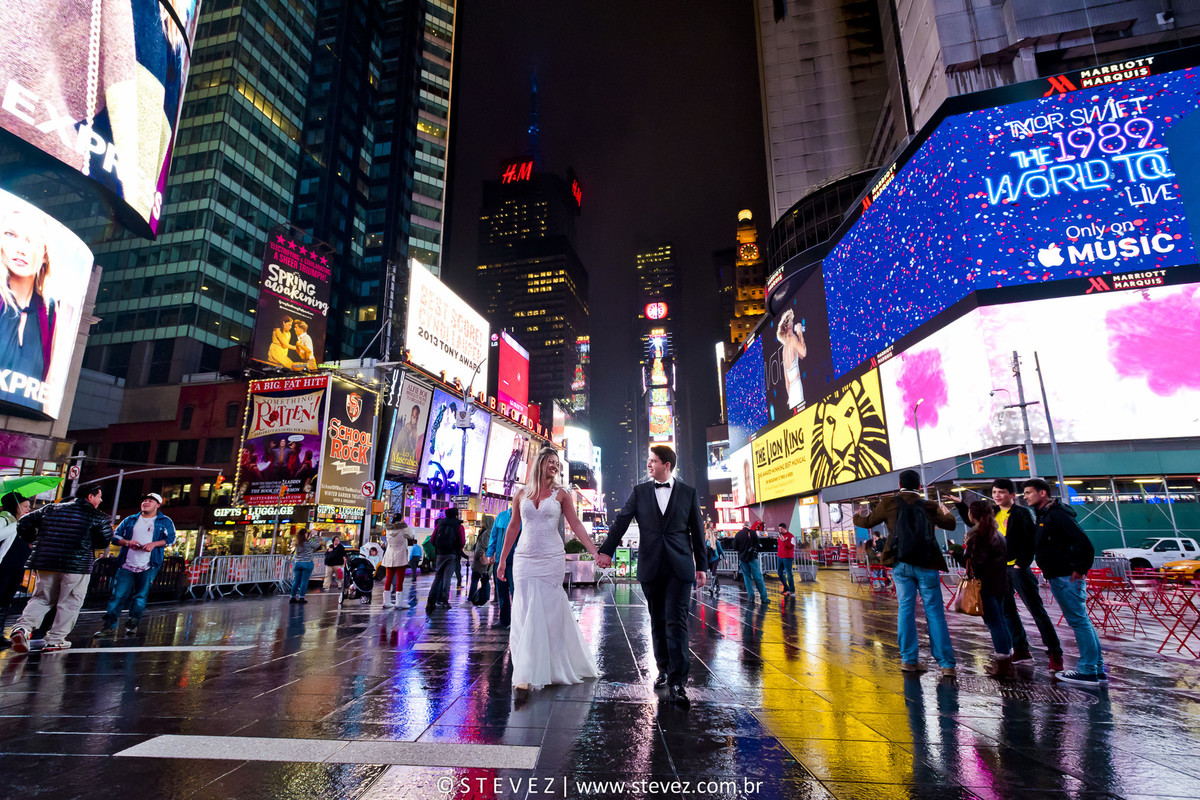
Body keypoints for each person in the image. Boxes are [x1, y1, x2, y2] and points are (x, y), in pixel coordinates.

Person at [597, 445, 707, 704]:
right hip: (651, 565)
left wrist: (701, 565)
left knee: (677, 621)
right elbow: (621, 522)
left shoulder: (688, 493)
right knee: (658, 620)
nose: (649, 464)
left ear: (667, 465)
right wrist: (606, 551)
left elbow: (698, 531)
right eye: (648, 460)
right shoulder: (640, 492)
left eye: (653, 461)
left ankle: (678, 681)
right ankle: (664, 670)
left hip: (679, 567)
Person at [497, 447, 600, 698]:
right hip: (523, 558)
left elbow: (576, 524)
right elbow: (513, 527)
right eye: (551, 461)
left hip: (551, 558)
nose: (555, 466)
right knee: (524, 609)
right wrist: (502, 560)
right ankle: (525, 670)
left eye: (557, 463)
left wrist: (595, 552)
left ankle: (553, 666)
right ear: (540, 463)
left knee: (550, 611)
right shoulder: (520, 493)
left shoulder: (562, 493)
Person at [853, 470, 958, 677]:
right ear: (919, 486)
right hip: (927, 563)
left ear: (900, 485)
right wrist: (947, 512)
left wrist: (857, 515)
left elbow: (866, 522)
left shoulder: (889, 503)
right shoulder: (929, 505)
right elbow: (950, 524)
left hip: (901, 563)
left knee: (906, 610)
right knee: (935, 613)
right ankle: (947, 665)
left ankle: (909, 660)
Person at [9, 487, 113, 653]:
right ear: (90, 496)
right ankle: (56, 640)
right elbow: (103, 541)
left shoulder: (51, 508)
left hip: (46, 562)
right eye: (99, 497)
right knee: (70, 601)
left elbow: (23, 522)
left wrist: (32, 539)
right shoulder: (99, 517)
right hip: (76, 565)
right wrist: (86, 541)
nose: (100, 500)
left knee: (41, 598)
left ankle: (22, 628)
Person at [1022, 478, 1105, 688]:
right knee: (1082, 621)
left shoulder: (1056, 514)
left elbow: (1083, 542)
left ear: (1042, 493)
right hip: (1062, 574)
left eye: (1029, 492)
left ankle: (1088, 670)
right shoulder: (1046, 514)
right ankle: (1096, 668)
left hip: (1065, 575)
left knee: (1079, 621)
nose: (1025, 496)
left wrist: (1079, 569)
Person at [990, 478, 1064, 673]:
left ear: (1012, 495)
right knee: (1007, 611)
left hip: (1018, 569)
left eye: (1001, 492)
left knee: (1036, 611)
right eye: (994, 492)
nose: (997, 495)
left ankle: (1055, 653)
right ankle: (1021, 650)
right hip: (999, 570)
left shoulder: (1022, 513)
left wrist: (1021, 564)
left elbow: (1031, 540)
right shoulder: (992, 512)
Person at [94, 493, 176, 638]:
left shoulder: (165, 521)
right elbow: (115, 536)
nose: (146, 503)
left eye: (150, 501)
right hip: (126, 564)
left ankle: (133, 623)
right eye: (144, 500)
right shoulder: (130, 519)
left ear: (158, 505)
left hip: (149, 565)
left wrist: (154, 544)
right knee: (117, 596)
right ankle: (109, 627)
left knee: (140, 596)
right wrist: (128, 542)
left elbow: (171, 538)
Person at [0, 207, 57, 404]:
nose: (20, 249)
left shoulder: (50, 312)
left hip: (24, 418)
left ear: (45, 255)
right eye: (10, 234)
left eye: (31, 240)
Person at [954, 501, 1013, 677]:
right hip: (1001, 584)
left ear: (973, 515)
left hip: (985, 586)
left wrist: (957, 554)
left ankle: (1003, 665)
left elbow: (975, 563)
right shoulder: (997, 533)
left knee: (994, 623)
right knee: (1001, 621)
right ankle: (1007, 660)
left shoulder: (978, 535)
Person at [0, 491, 32, 648]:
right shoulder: (4, 519)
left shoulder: (22, 523)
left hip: (17, 568)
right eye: (25, 506)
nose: (28, 509)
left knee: (5, 602)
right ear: (16, 506)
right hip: (3, 567)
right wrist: (17, 524)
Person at [426, 509, 464, 612]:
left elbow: (432, 539)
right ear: (456, 515)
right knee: (447, 578)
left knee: (438, 577)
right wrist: (457, 550)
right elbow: (462, 541)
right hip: (452, 554)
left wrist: (438, 548)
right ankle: (445, 600)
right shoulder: (459, 526)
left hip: (440, 554)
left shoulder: (439, 525)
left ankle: (430, 600)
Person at [487, 504, 518, 628]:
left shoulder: (522, 517)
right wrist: (490, 553)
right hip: (499, 560)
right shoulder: (501, 516)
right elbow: (493, 535)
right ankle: (504, 620)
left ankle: (516, 621)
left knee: (516, 591)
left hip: (516, 560)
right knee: (501, 591)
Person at [775, 308, 807, 409]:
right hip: (797, 386)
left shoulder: (784, 350)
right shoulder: (793, 338)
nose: (793, 323)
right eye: (792, 321)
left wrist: (789, 396)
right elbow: (804, 353)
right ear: (790, 325)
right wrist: (800, 333)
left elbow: (786, 381)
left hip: (791, 392)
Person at [381, 515, 415, 608]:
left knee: (388, 579)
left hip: (389, 555)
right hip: (400, 556)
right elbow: (411, 536)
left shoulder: (388, 529)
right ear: (401, 519)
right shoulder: (403, 528)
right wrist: (406, 525)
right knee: (400, 580)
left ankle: (386, 602)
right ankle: (399, 603)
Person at [734, 522, 769, 603]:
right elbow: (758, 544)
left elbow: (735, 547)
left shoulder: (738, 534)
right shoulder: (753, 533)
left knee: (747, 577)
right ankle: (764, 597)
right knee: (758, 577)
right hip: (752, 557)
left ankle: (751, 596)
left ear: (743, 526)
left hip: (743, 558)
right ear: (749, 526)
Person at [289, 529, 319, 603]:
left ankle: (292, 597)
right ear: (305, 534)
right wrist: (315, 536)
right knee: (304, 581)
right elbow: (317, 545)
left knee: (296, 581)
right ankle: (301, 597)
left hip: (298, 563)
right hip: (307, 563)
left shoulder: (297, 543)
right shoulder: (308, 542)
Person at [468, 516, 492, 606]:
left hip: (481, 560)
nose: (481, 523)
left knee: (480, 580)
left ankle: (473, 599)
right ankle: (483, 600)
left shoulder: (487, 533)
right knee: (483, 580)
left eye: (483, 521)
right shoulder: (487, 532)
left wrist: (478, 555)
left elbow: (483, 546)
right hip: (483, 561)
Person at [776, 522, 796, 596]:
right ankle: (786, 587)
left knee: (789, 573)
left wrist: (784, 541)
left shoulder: (791, 536)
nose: (780, 530)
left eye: (781, 529)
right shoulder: (780, 536)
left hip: (787, 557)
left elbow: (791, 546)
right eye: (779, 529)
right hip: (780, 556)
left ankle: (792, 590)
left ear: (785, 528)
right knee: (779, 572)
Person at [704, 528, 723, 596]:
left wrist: (725, 558)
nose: (706, 534)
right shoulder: (706, 541)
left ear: (709, 534)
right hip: (709, 559)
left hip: (715, 558)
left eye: (707, 533)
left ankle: (712, 588)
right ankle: (718, 587)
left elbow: (720, 550)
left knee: (713, 573)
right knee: (713, 573)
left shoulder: (716, 541)